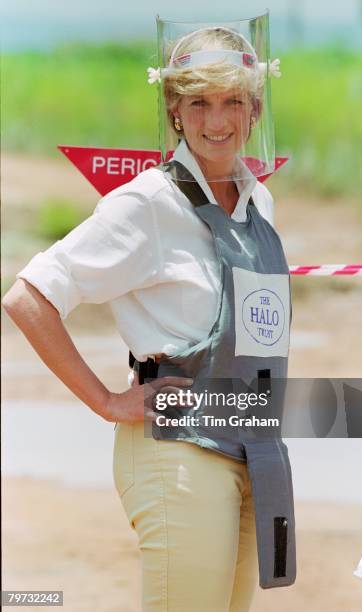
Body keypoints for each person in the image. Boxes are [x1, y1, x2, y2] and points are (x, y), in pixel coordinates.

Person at [2, 15, 296, 611]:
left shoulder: (258, 198)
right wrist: (106, 402)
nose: (217, 121)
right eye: (199, 103)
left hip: (251, 448)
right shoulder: (148, 203)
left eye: (232, 101)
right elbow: (28, 295)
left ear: (255, 110)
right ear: (174, 113)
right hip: (176, 451)